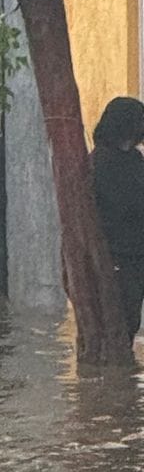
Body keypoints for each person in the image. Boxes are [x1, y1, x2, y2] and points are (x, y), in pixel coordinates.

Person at [91, 96, 144, 341]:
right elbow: (124, 204)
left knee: (130, 320)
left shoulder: (134, 159)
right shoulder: (101, 162)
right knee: (118, 323)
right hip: (116, 255)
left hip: (134, 254)